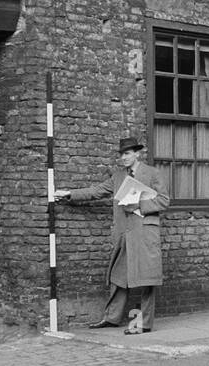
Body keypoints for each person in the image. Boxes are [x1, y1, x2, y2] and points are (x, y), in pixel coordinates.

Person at [55, 136, 169, 334]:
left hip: (145, 233)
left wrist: (139, 205)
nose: (123, 158)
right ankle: (112, 317)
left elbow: (164, 201)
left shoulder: (152, 174)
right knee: (118, 276)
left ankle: (144, 324)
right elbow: (97, 191)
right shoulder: (118, 177)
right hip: (125, 234)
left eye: (127, 153)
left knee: (147, 280)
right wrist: (69, 194)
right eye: (121, 154)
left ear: (137, 154)